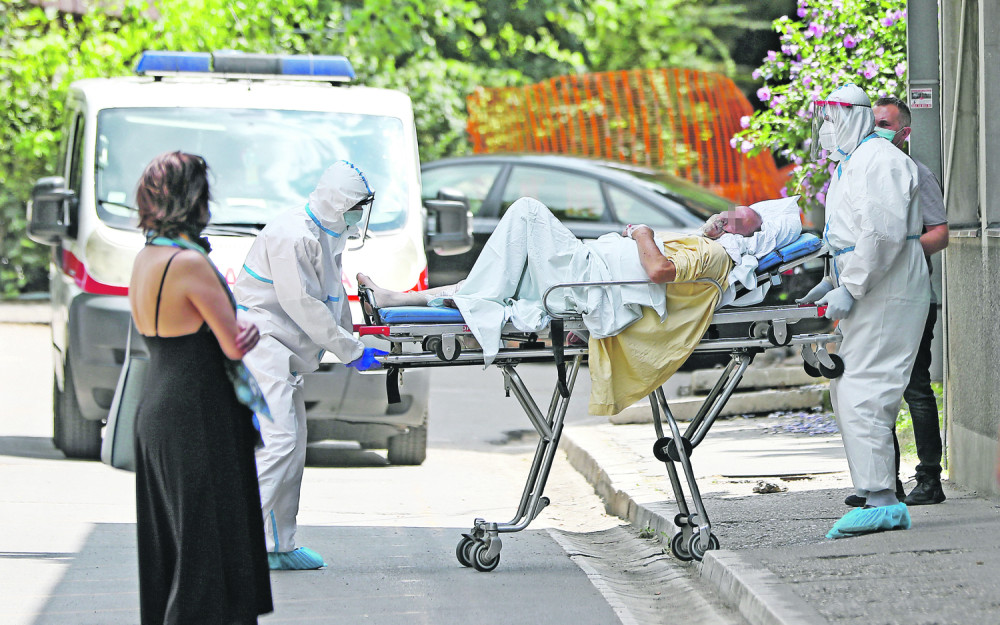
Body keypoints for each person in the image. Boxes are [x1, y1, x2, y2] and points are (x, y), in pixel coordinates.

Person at [358, 195, 802, 415]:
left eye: (734, 220)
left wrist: (641, 233)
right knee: (494, 283)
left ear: (744, 237)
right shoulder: (710, 246)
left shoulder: (716, 255)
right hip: (582, 278)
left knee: (528, 211)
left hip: (585, 282)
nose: (722, 216)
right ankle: (395, 298)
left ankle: (419, 299)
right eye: (728, 211)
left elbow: (659, 273)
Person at [129, 151, 273, 623]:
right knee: (208, 554)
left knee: (173, 551)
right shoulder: (190, 263)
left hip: (158, 406)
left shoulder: (146, 257)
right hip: (199, 413)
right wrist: (246, 331)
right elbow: (233, 343)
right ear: (195, 201)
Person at [234, 160, 386, 571]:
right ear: (341, 203)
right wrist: (350, 350)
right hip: (261, 346)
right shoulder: (292, 235)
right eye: (359, 204)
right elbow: (301, 304)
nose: (361, 212)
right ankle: (235, 541)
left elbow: (333, 299)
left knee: (293, 446)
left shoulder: (327, 233)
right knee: (279, 442)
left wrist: (357, 342)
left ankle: (278, 545)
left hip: (284, 351)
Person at [799, 83, 931, 539]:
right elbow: (850, 234)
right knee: (850, 385)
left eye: (832, 120)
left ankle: (882, 501)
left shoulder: (882, 161)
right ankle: (877, 495)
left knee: (865, 388)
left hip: (886, 284)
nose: (827, 130)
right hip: (869, 281)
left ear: (853, 118)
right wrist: (833, 280)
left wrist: (850, 286)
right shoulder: (853, 164)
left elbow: (882, 235)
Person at [840, 96, 947, 508]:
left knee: (914, 387)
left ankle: (929, 478)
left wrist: (898, 256)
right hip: (879, 295)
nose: (877, 129)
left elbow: (939, 232)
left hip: (911, 297)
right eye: (874, 122)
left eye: (886, 123)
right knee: (874, 386)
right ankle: (887, 482)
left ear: (904, 132)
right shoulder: (863, 168)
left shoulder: (915, 172)